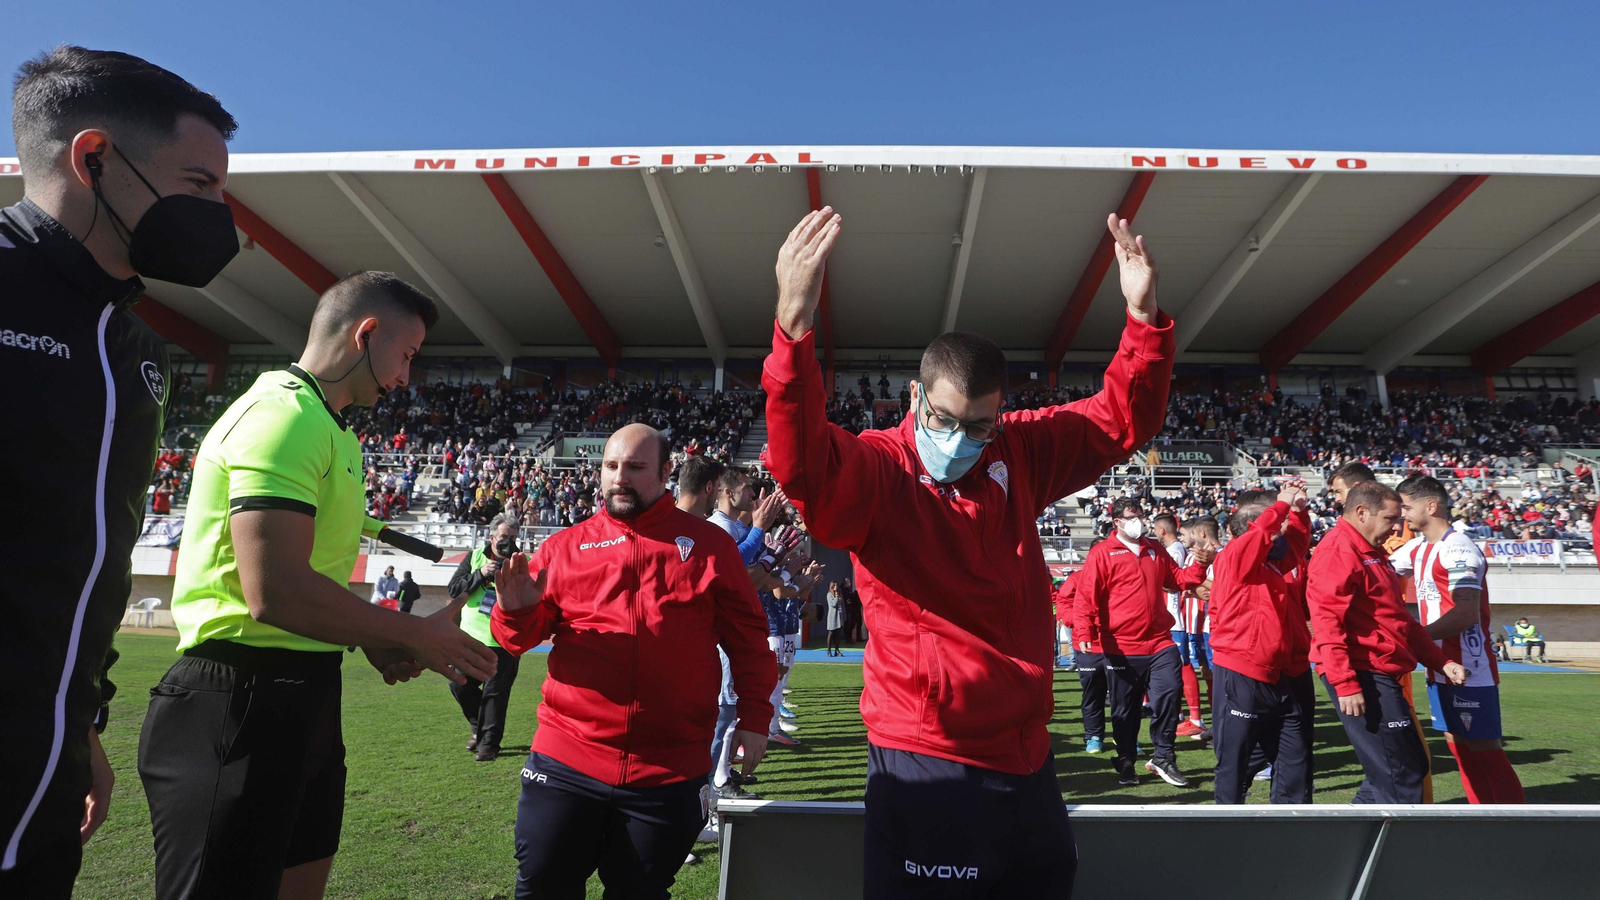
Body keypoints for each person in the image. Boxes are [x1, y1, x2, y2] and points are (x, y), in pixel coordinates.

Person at [765, 206, 1175, 897]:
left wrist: (1141, 319)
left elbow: (1119, 420)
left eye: (980, 426)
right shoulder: (881, 467)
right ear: (915, 396)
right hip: (928, 753)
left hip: (1025, 749)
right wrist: (794, 328)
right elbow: (804, 465)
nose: (960, 440)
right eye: (944, 419)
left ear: (1000, 413)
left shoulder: (1018, 447)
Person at [136, 272, 498, 900]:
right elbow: (274, 590)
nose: (406, 377)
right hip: (235, 698)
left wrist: (371, 638)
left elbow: (307, 582)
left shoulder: (335, 431)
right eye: (406, 355)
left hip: (304, 695)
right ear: (367, 333)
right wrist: (411, 631)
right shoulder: (283, 417)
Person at [0, 46, 240, 898]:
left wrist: (83, 724)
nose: (220, 214)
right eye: (200, 183)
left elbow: (82, 564)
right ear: (93, 157)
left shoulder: (137, 349)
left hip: (47, 769)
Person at [487, 424, 777, 899]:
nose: (620, 477)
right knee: (543, 887)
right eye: (611, 466)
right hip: (566, 759)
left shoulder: (710, 547)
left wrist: (755, 717)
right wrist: (515, 612)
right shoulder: (565, 547)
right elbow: (516, 640)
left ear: (665, 472)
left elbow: (748, 640)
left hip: (669, 770)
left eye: (636, 467)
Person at [1307, 481, 1467, 804]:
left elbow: (1399, 619)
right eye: (1390, 519)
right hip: (1362, 671)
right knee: (1401, 772)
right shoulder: (1338, 551)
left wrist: (1441, 661)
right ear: (1361, 512)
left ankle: (1359, 830)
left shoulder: (1373, 553)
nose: (1397, 527)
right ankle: (1392, 836)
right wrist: (1345, 683)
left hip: (1378, 670)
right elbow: (1326, 623)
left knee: (1408, 765)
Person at [1392, 475, 1525, 803]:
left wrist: (1415, 638)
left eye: (1406, 507)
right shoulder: (1417, 548)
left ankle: (1515, 821)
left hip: (1469, 667)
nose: (1401, 514)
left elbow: (1466, 614)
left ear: (1430, 506)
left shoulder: (1459, 548)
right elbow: (1375, 570)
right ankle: (1480, 815)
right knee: (1458, 746)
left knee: (1484, 749)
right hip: (1438, 667)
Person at [1074, 499, 1213, 787]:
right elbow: (1086, 595)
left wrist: (1200, 564)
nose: (1138, 520)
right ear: (1117, 522)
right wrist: (1084, 631)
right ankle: (1126, 760)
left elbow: (1178, 580)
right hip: (1120, 645)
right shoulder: (1102, 553)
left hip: (1159, 641)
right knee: (1125, 709)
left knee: (1170, 694)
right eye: (1131, 516)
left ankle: (1164, 756)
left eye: (1140, 514)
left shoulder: (1154, 549)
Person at [1208, 480, 1316, 804]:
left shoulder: (1272, 564)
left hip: (1278, 672)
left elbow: (1297, 545)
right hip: (1243, 670)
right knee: (1234, 760)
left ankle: (1291, 822)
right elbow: (1258, 536)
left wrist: (1299, 512)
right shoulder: (1234, 557)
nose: (1282, 533)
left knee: (1294, 756)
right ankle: (1227, 823)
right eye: (1278, 529)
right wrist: (1280, 505)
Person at [446, 514, 526, 762]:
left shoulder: (523, 562)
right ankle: (478, 728)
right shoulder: (474, 558)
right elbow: (454, 589)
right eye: (503, 537)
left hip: (505, 640)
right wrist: (480, 573)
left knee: (494, 693)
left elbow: (530, 597)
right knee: (459, 685)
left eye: (513, 537)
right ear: (492, 537)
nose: (508, 542)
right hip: (471, 639)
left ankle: (488, 745)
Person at [1153, 514, 1205, 739]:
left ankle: (1196, 718)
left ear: (1162, 530)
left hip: (1175, 617)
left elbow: (1173, 583)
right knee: (1175, 668)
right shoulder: (1171, 550)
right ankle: (1182, 715)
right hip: (1171, 617)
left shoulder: (1174, 551)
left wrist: (1151, 579)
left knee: (1183, 666)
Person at [1057, 573, 1106, 753]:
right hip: (1087, 644)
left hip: (1120, 642)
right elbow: (1063, 603)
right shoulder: (1076, 579)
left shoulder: (1120, 574)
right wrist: (1080, 621)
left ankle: (1126, 736)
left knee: (1123, 694)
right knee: (1093, 693)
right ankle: (1094, 735)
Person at [826, 581, 848, 656]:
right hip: (833, 617)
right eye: (834, 585)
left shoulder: (840, 594)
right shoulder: (829, 595)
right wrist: (836, 597)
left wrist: (844, 615)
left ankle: (837, 650)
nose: (836, 587)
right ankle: (829, 651)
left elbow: (843, 605)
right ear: (831, 586)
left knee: (838, 634)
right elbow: (833, 604)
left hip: (840, 616)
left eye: (837, 585)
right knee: (831, 633)